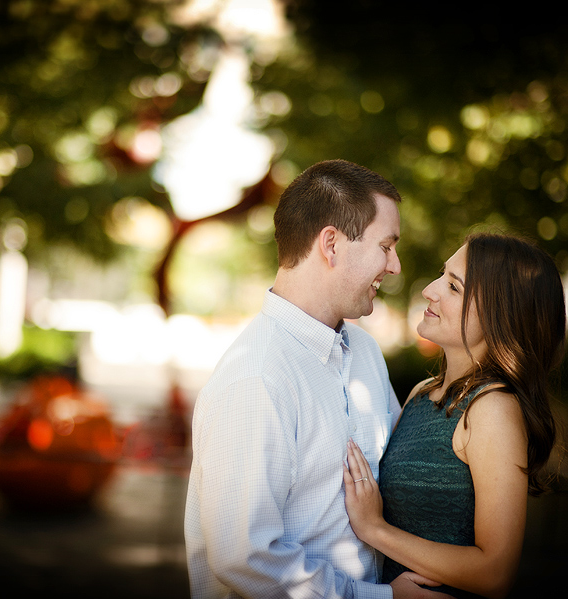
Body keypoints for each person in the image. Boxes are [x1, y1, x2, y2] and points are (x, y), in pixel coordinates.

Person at [185, 160, 441, 598]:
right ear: (331, 244)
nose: (395, 266)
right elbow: (245, 559)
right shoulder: (257, 378)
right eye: (386, 245)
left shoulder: (365, 354)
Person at [343, 232, 566, 599]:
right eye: (441, 276)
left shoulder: (490, 409)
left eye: (454, 287)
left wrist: (375, 529)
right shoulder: (421, 393)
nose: (430, 290)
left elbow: (495, 573)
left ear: (500, 315)